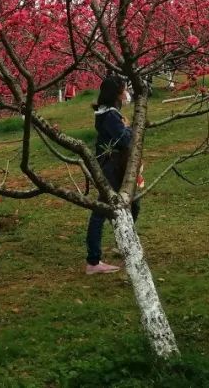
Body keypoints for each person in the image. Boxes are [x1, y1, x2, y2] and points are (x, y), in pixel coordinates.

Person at [85, 75, 141, 274]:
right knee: (101, 210)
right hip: (111, 167)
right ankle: (93, 261)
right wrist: (129, 128)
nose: (126, 94)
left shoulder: (108, 113)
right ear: (116, 93)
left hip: (114, 166)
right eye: (124, 90)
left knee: (132, 204)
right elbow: (125, 140)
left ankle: (124, 243)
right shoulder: (110, 115)